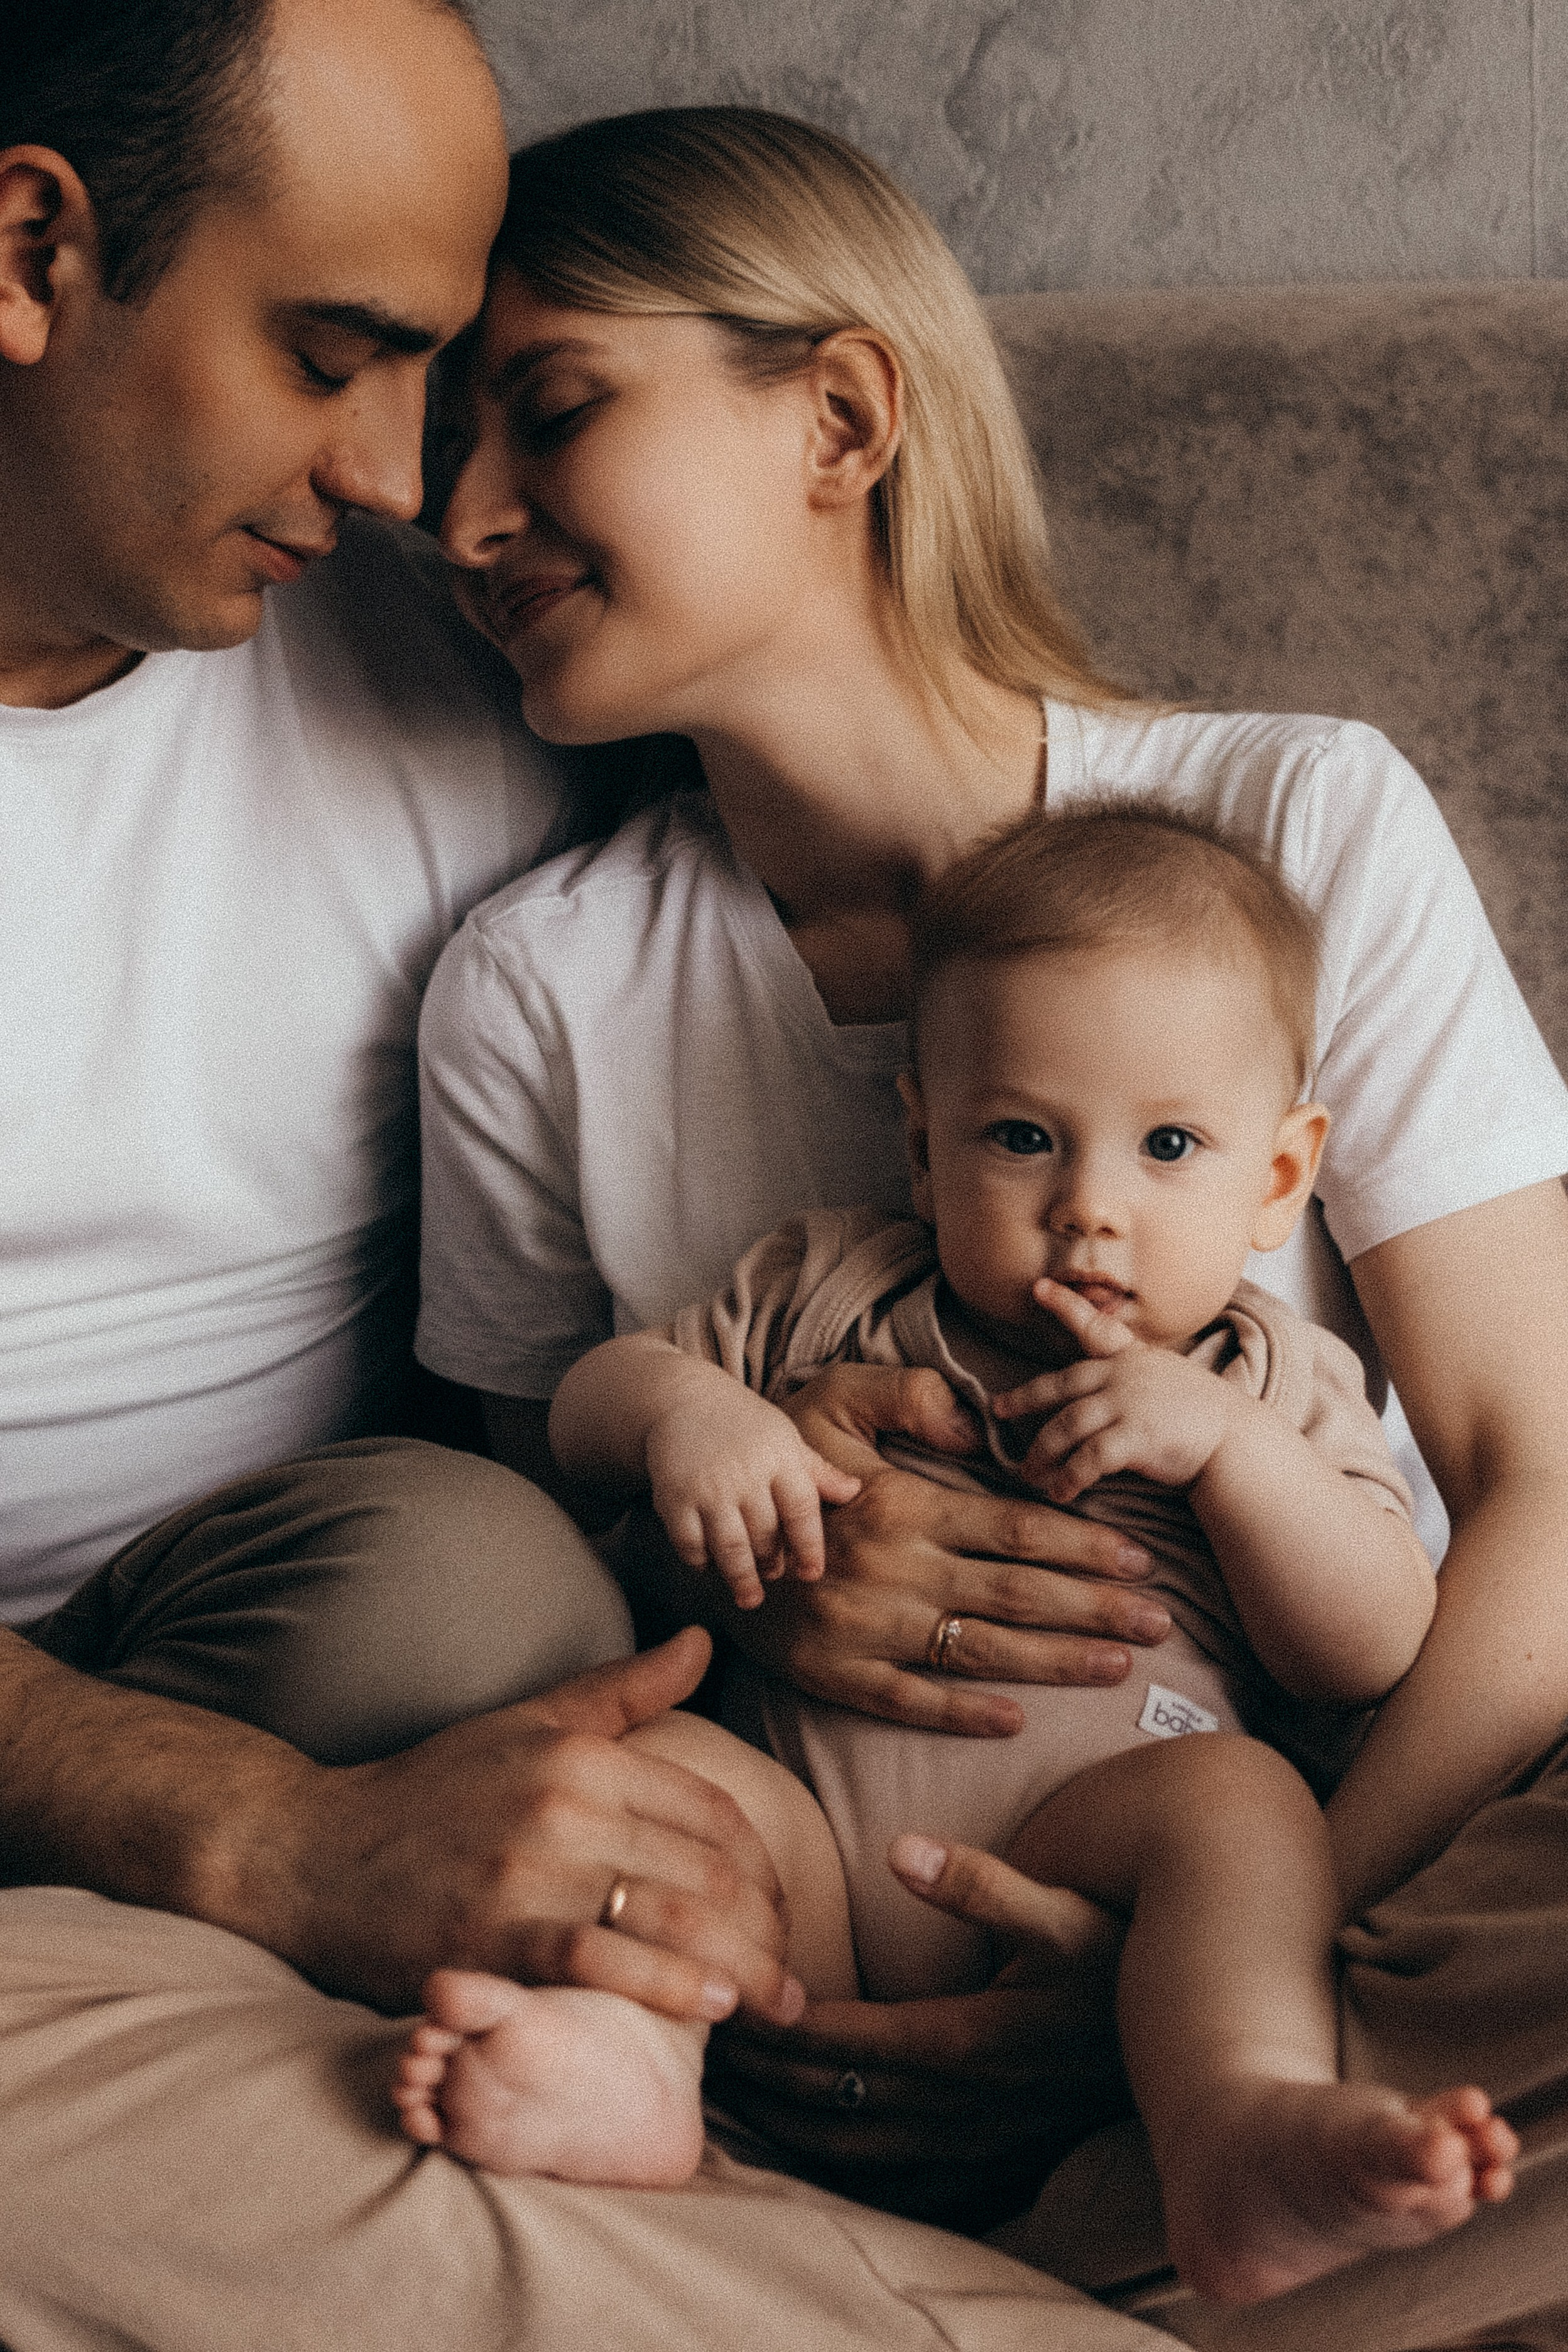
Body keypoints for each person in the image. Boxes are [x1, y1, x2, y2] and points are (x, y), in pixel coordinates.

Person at [413, 106, 1568, 2344]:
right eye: (444, 437)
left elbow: (1549, 1493)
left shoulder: (1292, 819)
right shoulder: (535, 990)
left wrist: (1218, 1947)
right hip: (816, 1881)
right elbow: (527, 1567)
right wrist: (747, 1517)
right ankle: (775, 2161)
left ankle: (1210, 2153)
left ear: (841, 418)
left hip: (1333, 1858)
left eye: (546, 414)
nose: (452, 520)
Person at [398, 802, 1520, 2307]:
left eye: (1170, 1146)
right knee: (669, 1779)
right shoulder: (827, 1286)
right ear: (923, 1145)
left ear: (1278, 1177)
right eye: (1021, 1138)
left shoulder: (1268, 1378)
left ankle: (1234, 2121)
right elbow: (586, 1415)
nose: (1088, 1209)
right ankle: (634, 2057)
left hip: (1096, 1839)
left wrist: (1228, 1456)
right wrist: (688, 1419)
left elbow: (1373, 1643)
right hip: (798, 1846)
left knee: (1245, 1809)